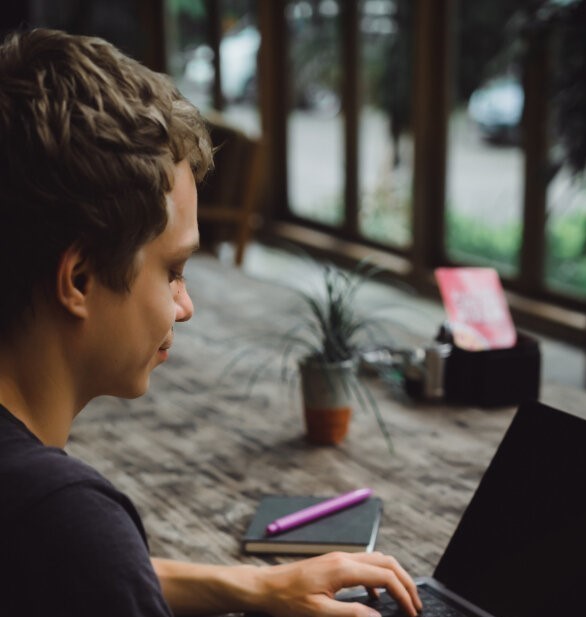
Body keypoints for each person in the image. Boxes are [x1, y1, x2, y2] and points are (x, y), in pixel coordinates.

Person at [0, 28, 423, 617]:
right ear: (80, 280)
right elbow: (80, 555)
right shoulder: (63, 517)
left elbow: (72, 575)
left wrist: (254, 587)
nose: (185, 305)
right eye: (173, 269)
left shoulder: (52, 539)